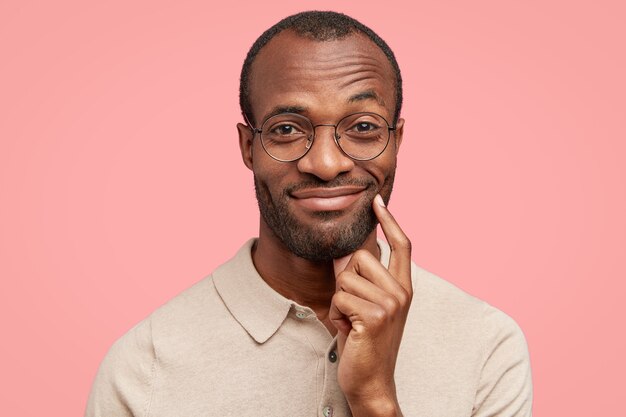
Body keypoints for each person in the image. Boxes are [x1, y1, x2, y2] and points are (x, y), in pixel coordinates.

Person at [85, 11, 532, 417]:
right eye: (286, 129)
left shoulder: (486, 345)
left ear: (396, 142)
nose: (325, 163)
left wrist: (375, 399)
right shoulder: (143, 367)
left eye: (362, 127)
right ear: (248, 147)